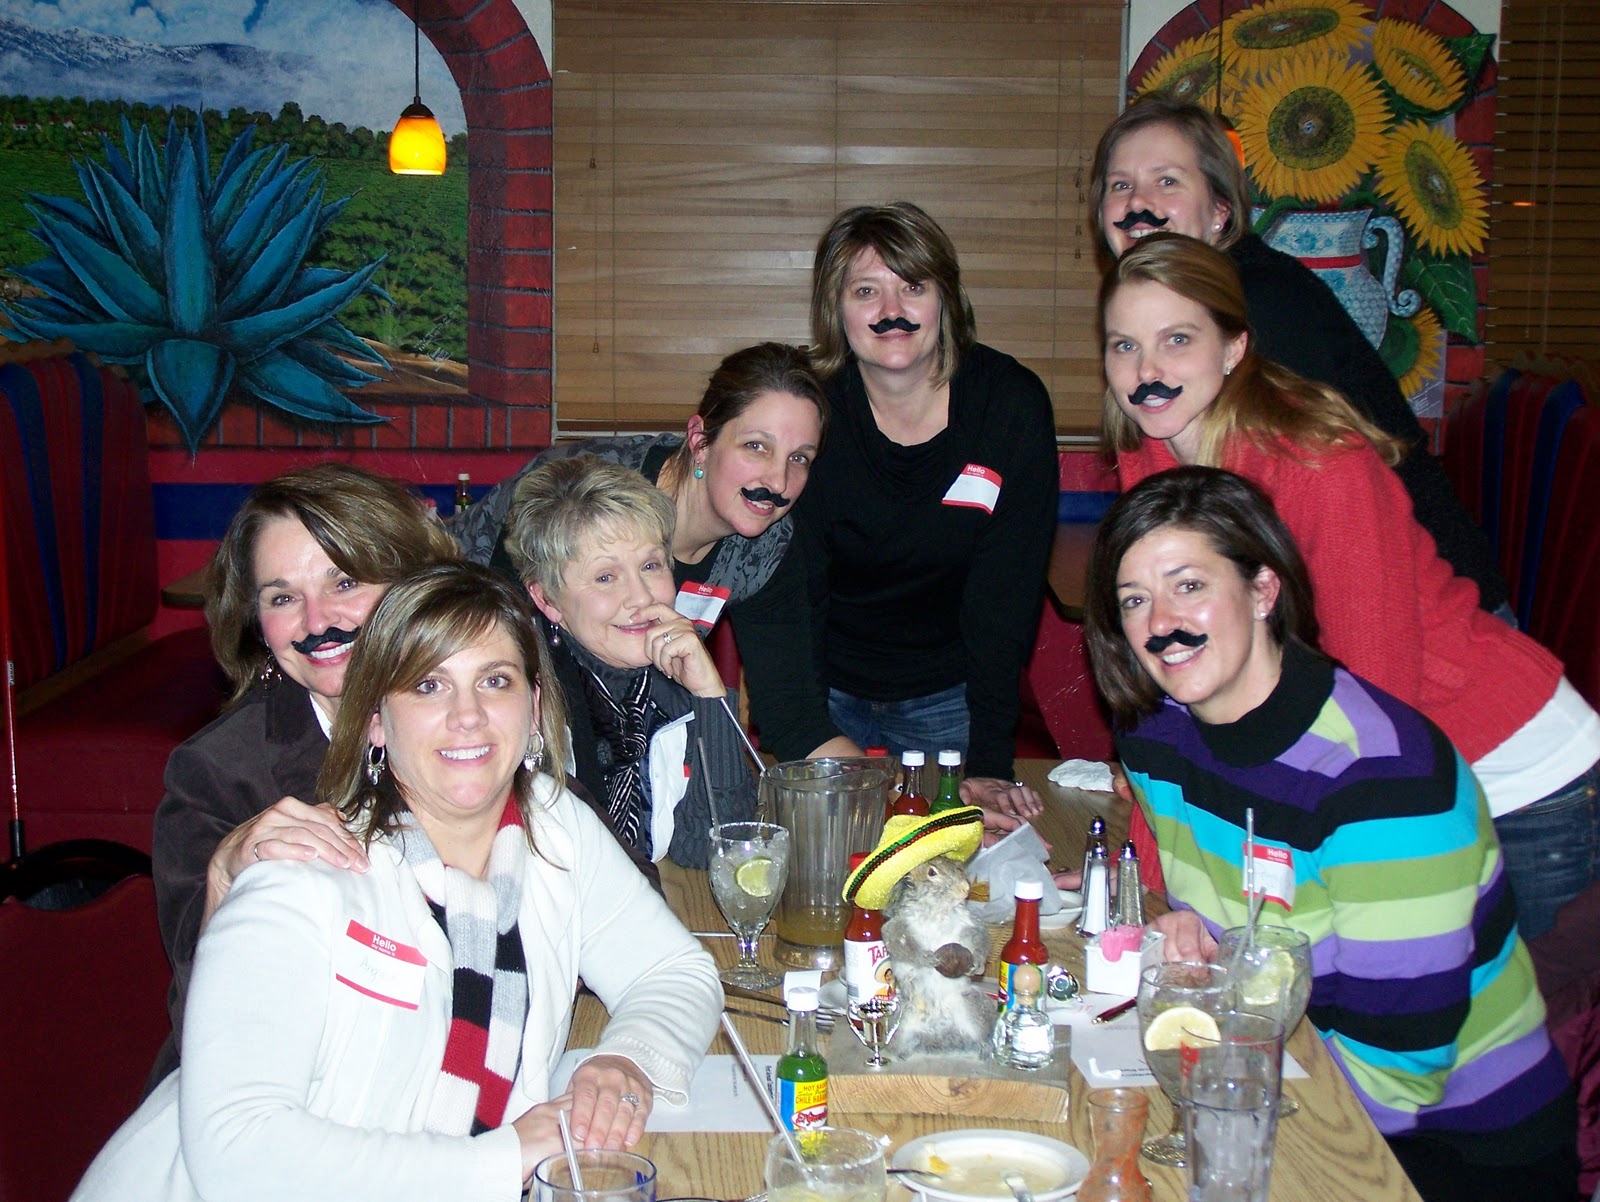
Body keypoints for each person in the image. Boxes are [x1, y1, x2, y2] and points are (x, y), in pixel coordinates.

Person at [74, 563, 722, 1202]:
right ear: (376, 720)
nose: (468, 715)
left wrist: (625, 1059)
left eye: (494, 680)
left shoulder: (555, 828)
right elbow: (238, 1155)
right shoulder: (301, 878)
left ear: (533, 708)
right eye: (429, 686)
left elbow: (672, 971)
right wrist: (505, 1158)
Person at [1082, 466, 1576, 1202]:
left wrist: (1221, 1095)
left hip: (1452, 1149)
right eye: (1134, 599)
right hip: (1280, 1080)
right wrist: (1195, 934)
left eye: (1188, 586)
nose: (1161, 623)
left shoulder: (1381, 780)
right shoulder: (1156, 736)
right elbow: (1254, 920)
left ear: (1262, 590)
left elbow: (1398, 1072)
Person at [1098, 231, 1600, 939]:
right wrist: (1146, 892)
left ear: (1235, 347)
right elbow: (1173, 698)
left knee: (1500, 1009)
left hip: (1510, 774)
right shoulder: (1151, 453)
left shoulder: (1318, 466)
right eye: (1124, 345)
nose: (1147, 369)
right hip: (1390, 766)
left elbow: (1373, 704)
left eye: (1177, 340)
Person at [1089, 95, 1509, 617]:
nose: (1137, 202)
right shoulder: (1160, 344)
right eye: (1120, 185)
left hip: (1430, 612)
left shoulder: (1260, 303)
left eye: (1167, 180)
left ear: (1220, 211)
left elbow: (1310, 525)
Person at [148, 464, 458, 1084]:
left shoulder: (479, 716)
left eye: (344, 581)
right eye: (283, 598)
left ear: (414, 585)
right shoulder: (217, 774)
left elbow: (599, 883)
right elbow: (197, 1022)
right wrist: (223, 878)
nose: (318, 622)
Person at [455, 341, 859, 763]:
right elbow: (499, 664)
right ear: (700, 440)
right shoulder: (587, 496)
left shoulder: (767, 547)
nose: (778, 481)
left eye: (799, 458)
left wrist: (873, 784)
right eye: (756, 446)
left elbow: (792, 714)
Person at [794, 201, 1059, 819]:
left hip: (950, 693)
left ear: (947, 298)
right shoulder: (808, 409)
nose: (892, 310)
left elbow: (1005, 598)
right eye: (866, 291)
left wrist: (989, 760)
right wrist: (802, 722)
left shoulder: (1008, 406)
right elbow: (797, 593)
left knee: (953, 858)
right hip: (823, 688)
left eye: (913, 286)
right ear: (835, 308)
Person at [506, 456, 758, 869]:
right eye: (605, 577)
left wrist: (709, 698)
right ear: (546, 599)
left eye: (651, 565)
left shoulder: (672, 686)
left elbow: (716, 850)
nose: (642, 597)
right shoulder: (521, 699)